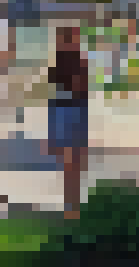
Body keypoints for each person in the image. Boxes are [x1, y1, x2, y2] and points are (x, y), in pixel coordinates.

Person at [47, 24, 89, 219]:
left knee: (73, 163)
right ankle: (71, 205)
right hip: (69, 112)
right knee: (71, 163)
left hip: (72, 111)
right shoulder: (63, 67)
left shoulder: (74, 64)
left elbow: (81, 94)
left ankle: (72, 204)